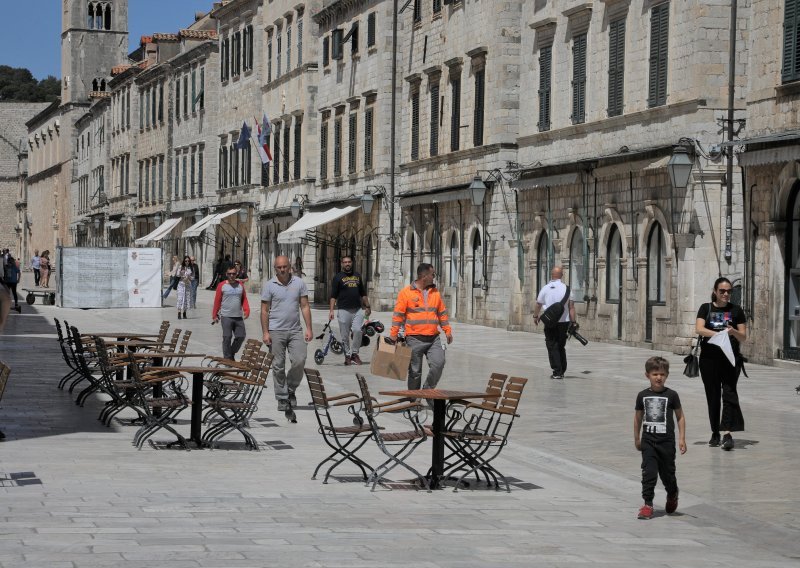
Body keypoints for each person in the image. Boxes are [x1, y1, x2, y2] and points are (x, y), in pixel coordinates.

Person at [695, 277, 747, 450]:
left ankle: (727, 433)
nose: (726, 294)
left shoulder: (737, 310)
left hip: (730, 360)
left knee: (729, 394)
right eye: (722, 291)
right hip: (709, 360)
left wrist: (732, 331)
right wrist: (719, 335)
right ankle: (715, 433)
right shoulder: (706, 308)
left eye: (729, 291)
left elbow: (743, 336)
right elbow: (699, 329)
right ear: (715, 291)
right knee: (713, 396)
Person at [634, 356, 686, 520]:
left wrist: (682, 439)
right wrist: (637, 438)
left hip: (667, 443)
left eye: (662, 374)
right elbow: (637, 418)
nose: (658, 377)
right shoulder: (642, 395)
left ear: (667, 375)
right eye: (655, 374)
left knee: (667, 475)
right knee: (648, 473)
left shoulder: (672, 395)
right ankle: (647, 504)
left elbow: (680, 417)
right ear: (647, 375)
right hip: (648, 442)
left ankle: (672, 493)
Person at [260, 255, 312, 416]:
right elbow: (264, 310)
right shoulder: (269, 285)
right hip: (276, 331)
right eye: (279, 267)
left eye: (285, 267)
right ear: (275, 268)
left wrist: (308, 328)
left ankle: (290, 389)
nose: (282, 270)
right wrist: (265, 332)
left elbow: (304, 306)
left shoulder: (299, 283)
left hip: (295, 329)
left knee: (299, 359)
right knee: (278, 365)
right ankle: (282, 397)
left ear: (290, 266)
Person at [389, 263, 452, 390]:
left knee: (439, 364)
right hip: (414, 339)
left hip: (433, 338)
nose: (434, 277)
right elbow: (398, 316)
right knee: (415, 372)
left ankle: (427, 390)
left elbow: (442, 313)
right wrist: (393, 335)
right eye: (432, 274)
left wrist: (448, 331)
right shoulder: (405, 293)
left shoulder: (435, 293)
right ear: (424, 276)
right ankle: (414, 400)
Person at [533, 266, 576, 380]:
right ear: (562, 275)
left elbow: (538, 304)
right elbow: (571, 307)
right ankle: (562, 369)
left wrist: (536, 316)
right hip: (564, 321)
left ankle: (557, 371)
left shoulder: (545, 288)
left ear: (551, 275)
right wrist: (574, 322)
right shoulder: (567, 289)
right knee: (561, 345)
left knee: (552, 345)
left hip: (550, 321)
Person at [329, 256, 371, 365]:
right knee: (344, 335)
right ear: (342, 264)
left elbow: (363, 293)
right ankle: (347, 355)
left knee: (358, 330)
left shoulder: (357, 276)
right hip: (343, 310)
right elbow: (333, 296)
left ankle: (355, 354)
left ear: (352, 263)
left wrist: (368, 306)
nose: (347, 264)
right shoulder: (338, 277)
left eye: (349, 262)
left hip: (357, 309)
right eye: (345, 262)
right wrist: (331, 310)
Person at [213, 266, 251, 361]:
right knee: (227, 337)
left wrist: (247, 310)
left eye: (233, 273)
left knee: (241, 336)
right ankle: (227, 358)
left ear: (236, 274)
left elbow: (244, 299)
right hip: (226, 316)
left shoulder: (240, 285)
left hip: (238, 316)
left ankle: (231, 353)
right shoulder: (222, 285)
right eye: (229, 273)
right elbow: (217, 301)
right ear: (226, 274)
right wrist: (214, 315)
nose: (231, 275)